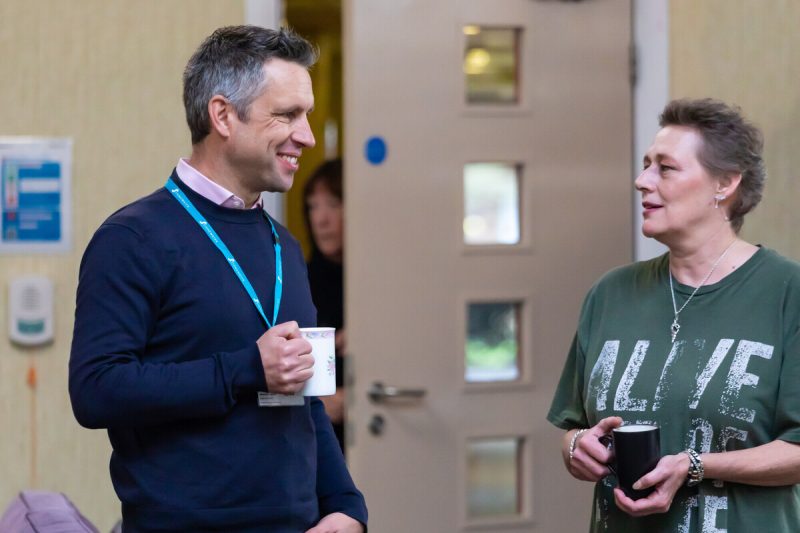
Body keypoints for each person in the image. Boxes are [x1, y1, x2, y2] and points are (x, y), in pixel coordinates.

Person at [69, 26, 367, 533]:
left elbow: (305, 395)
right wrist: (246, 368)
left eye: (307, 116)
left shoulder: (285, 246)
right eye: (287, 115)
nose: (307, 136)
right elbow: (96, 390)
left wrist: (345, 505)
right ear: (223, 115)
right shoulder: (132, 238)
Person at [548, 98, 800, 531]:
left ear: (725, 183)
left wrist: (695, 465)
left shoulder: (786, 292)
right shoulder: (609, 294)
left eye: (665, 168)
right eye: (646, 165)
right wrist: (576, 448)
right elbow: (572, 429)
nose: (641, 181)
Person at [303, 159, 347, 452]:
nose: (321, 219)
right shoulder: (299, 281)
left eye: (333, 204)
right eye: (312, 207)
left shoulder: (385, 285)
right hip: (318, 439)